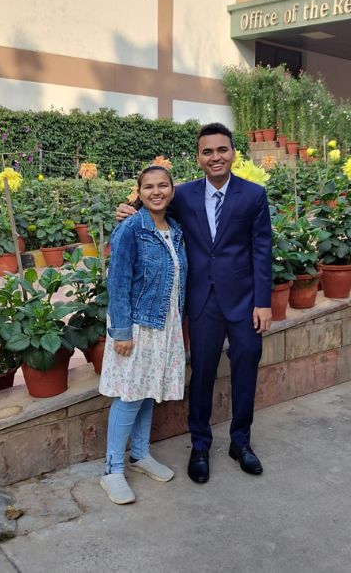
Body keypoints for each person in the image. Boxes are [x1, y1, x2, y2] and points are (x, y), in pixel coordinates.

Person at [117, 122, 275, 484]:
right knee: (202, 373)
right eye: (208, 151)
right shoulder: (184, 195)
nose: (215, 157)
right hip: (202, 301)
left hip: (246, 301)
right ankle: (200, 445)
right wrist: (128, 210)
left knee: (246, 368)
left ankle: (241, 442)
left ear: (233, 153)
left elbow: (262, 250)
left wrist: (263, 302)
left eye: (222, 150)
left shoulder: (253, 195)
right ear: (199, 157)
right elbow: (152, 207)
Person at [99, 165, 187, 504]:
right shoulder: (131, 229)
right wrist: (121, 332)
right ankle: (112, 470)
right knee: (130, 395)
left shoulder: (174, 229)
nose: (156, 191)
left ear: (172, 190)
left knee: (148, 391)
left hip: (165, 324)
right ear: (138, 192)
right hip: (136, 326)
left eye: (162, 185)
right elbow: (118, 282)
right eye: (148, 186)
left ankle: (140, 454)